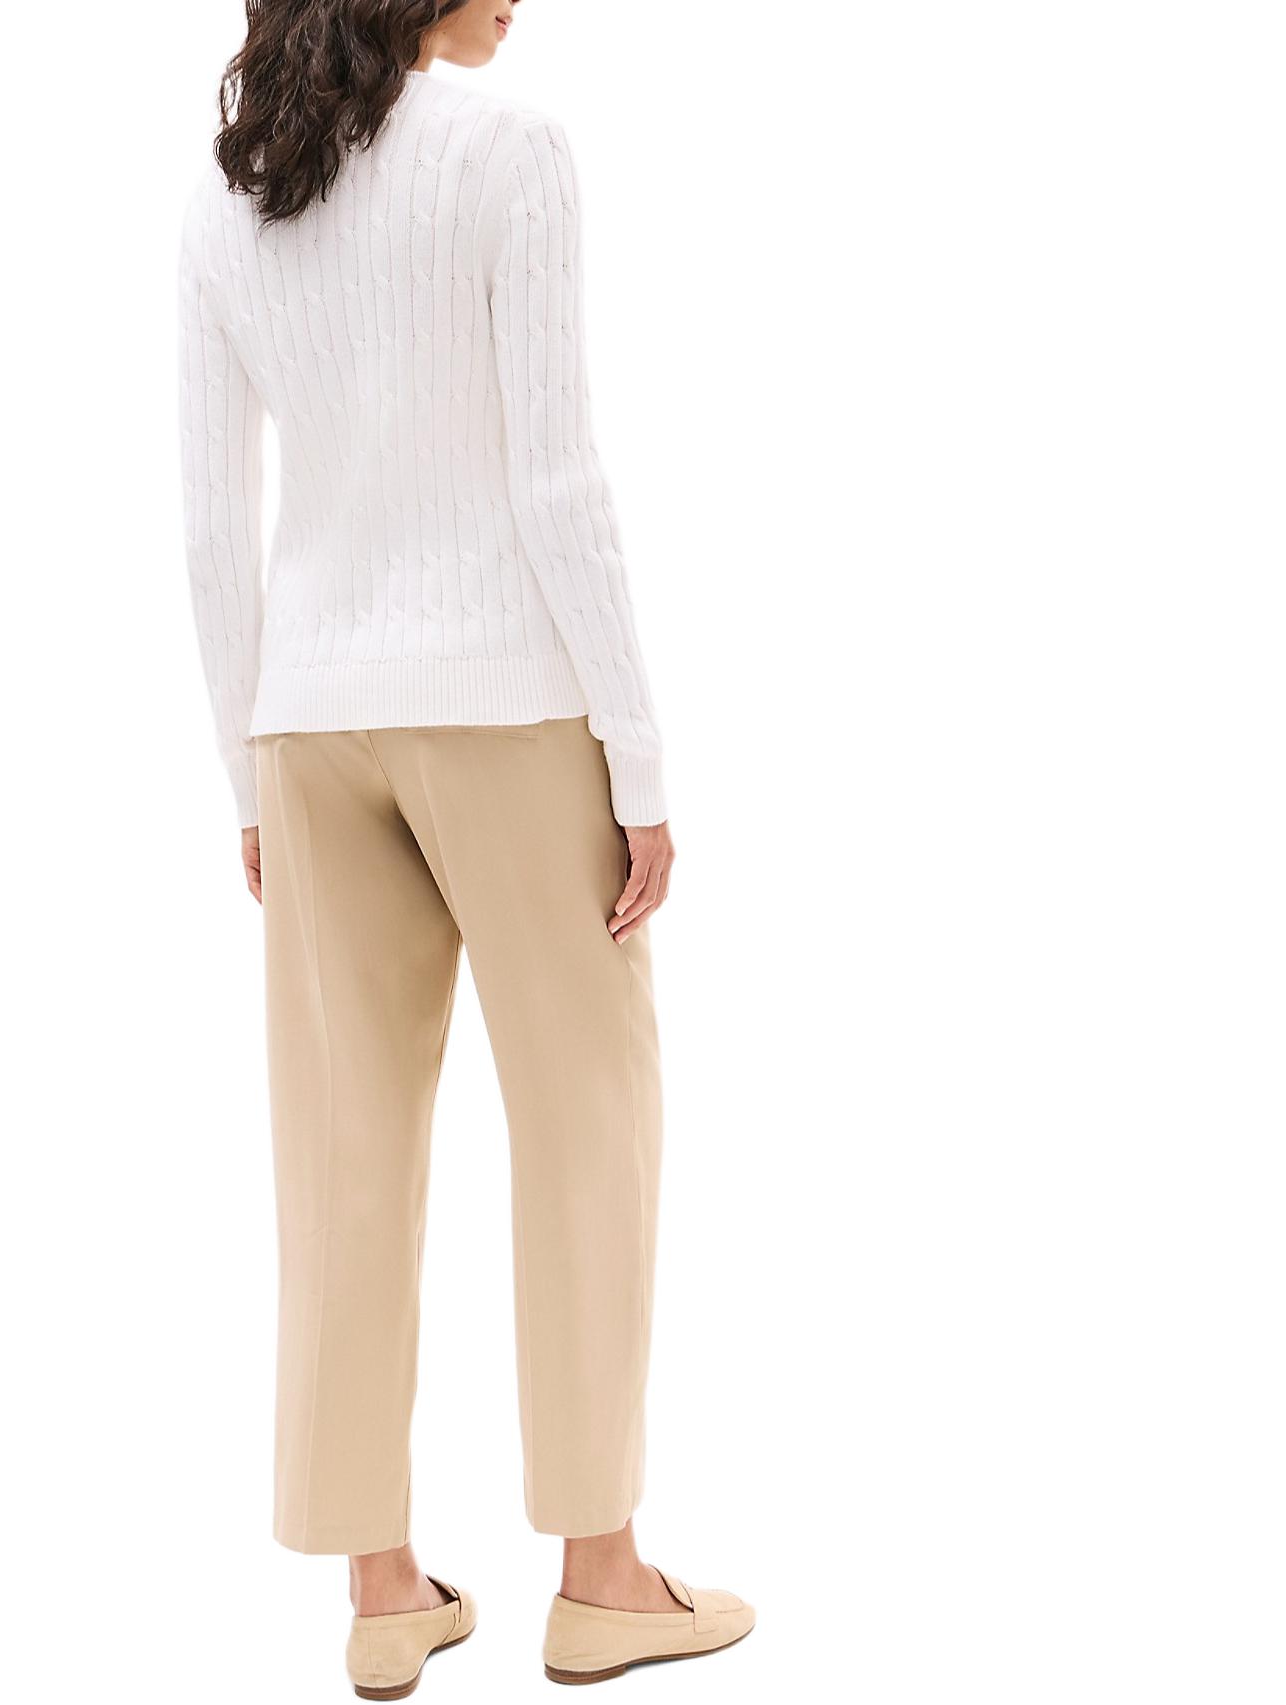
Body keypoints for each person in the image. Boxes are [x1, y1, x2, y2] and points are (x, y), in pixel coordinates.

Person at [178, 0, 752, 1692]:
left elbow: (210, 522)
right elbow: (556, 478)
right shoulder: (512, 153)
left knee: (341, 1148)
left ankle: (382, 1592)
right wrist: (637, 756)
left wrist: (248, 778)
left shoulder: (231, 187)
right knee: (588, 1123)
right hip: (504, 701)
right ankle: (602, 1575)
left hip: (309, 721)